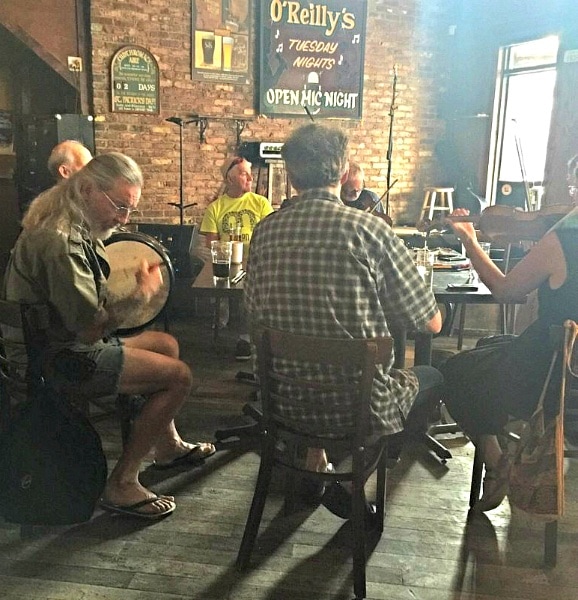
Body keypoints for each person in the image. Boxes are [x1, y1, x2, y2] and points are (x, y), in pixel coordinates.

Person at [3, 152, 215, 520]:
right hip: (54, 360)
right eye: (119, 206)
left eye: (128, 209)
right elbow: (89, 328)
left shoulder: (68, 217)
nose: (123, 218)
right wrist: (141, 295)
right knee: (179, 378)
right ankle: (122, 483)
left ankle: (166, 447)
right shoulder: (59, 239)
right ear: (86, 189)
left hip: (56, 343)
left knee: (167, 345)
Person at [244, 124, 443, 513]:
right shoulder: (370, 231)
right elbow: (431, 324)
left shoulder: (264, 231)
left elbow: (254, 316)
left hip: (283, 402)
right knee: (433, 377)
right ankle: (359, 480)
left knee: (312, 351)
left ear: (291, 173)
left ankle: (314, 458)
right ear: (343, 169)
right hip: (358, 408)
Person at [440, 154, 578, 512]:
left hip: (551, 380)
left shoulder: (563, 239)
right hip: (567, 370)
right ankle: (502, 456)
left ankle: (497, 461)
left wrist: (469, 240)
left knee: (456, 371)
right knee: (490, 347)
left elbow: (506, 291)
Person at [200, 156, 274, 360]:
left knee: (250, 291)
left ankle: (245, 338)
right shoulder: (215, 207)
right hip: (228, 263)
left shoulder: (261, 203)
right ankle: (223, 327)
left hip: (255, 263)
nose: (250, 177)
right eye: (243, 173)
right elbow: (211, 243)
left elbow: (269, 235)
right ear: (229, 179)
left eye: (249, 172)